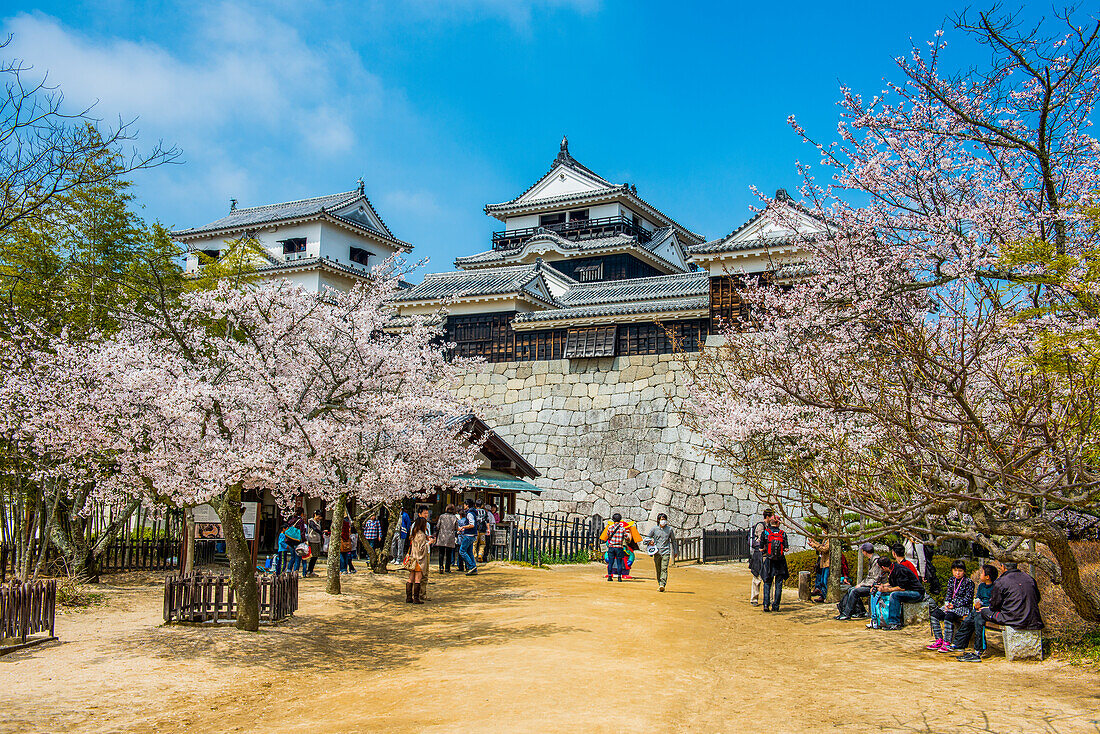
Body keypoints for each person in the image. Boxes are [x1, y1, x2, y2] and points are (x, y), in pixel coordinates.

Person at [958, 562, 1044, 663]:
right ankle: (970, 645)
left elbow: (994, 605)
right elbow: (1037, 598)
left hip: (1011, 618)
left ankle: (978, 650)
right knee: (980, 613)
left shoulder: (1001, 581)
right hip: (1033, 618)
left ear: (1003, 567)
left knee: (982, 612)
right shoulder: (1029, 578)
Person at [948, 564, 998, 657]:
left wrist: (984, 608)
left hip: (988, 611)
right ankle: (959, 643)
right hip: (978, 609)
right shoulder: (981, 586)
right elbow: (978, 597)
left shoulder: (996, 587)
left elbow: (995, 603)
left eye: (982, 573)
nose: (980, 575)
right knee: (967, 621)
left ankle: (979, 648)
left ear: (987, 577)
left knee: (979, 623)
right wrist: (977, 604)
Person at [927, 559, 974, 650]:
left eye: (960, 571)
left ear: (964, 571)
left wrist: (955, 605)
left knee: (948, 616)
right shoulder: (951, 580)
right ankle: (939, 639)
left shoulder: (968, 582)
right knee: (934, 615)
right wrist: (947, 603)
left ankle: (947, 642)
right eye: (955, 570)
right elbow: (949, 594)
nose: (957, 573)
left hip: (963, 607)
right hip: (951, 605)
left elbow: (968, 599)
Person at [874, 555, 925, 630]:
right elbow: (892, 584)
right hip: (908, 591)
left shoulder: (899, 570)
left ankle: (894, 623)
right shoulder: (892, 570)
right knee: (880, 594)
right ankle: (878, 620)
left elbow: (901, 588)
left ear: (883, 567)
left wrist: (886, 590)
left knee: (894, 595)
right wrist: (882, 586)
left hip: (916, 593)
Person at [835, 542, 881, 620]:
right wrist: (861, 584)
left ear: (865, 552)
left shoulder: (876, 561)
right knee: (851, 589)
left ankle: (847, 613)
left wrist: (862, 585)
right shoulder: (872, 559)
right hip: (870, 583)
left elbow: (875, 578)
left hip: (874, 585)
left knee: (854, 591)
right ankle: (859, 611)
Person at [758, 512, 789, 612]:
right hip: (780, 562)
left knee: (767, 583)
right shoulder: (782, 533)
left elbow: (761, 547)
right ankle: (776, 605)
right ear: (778, 523)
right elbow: (786, 548)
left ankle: (766, 605)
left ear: (770, 522)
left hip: (769, 561)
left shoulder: (766, 532)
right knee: (778, 584)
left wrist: (764, 549)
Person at [645, 513, 678, 591]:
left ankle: (662, 584)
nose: (663, 521)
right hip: (657, 552)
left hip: (666, 551)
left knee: (664, 568)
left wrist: (675, 550)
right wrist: (650, 542)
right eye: (661, 519)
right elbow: (646, 538)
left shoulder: (669, 530)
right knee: (658, 568)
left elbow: (673, 540)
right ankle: (659, 583)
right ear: (658, 520)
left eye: (664, 519)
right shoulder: (654, 529)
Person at [403, 515, 432, 604]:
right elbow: (422, 549)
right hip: (419, 560)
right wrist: (429, 543)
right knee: (417, 579)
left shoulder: (414, 534)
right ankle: (416, 598)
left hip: (413, 559)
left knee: (410, 578)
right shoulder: (422, 535)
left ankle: (408, 597)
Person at [748, 510, 773, 605]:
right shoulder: (760, 526)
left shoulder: (770, 527)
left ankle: (769, 599)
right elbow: (762, 539)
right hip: (759, 554)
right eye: (771, 517)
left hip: (767, 554)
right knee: (757, 577)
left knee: (769, 578)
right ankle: (754, 599)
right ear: (767, 517)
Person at [600, 513, 630, 582]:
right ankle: (619, 577)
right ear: (620, 520)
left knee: (611, 562)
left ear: (613, 519)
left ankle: (610, 576)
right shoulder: (622, 529)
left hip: (611, 547)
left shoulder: (610, 527)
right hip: (619, 547)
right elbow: (626, 537)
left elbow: (607, 535)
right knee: (619, 562)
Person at [807, 526, 830, 603]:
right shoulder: (825, 539)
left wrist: (814, 545)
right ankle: (822, 596)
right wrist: (813, 541)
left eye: (824, 530)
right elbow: (821, 546)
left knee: (825, 580)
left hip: (827, 562)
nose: (823, 531)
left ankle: (825, 596)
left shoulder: (830, 539)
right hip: (823, 562)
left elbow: (825, 549)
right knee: (822, 580)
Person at [456, 498, 478, 576]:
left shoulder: (470, 513)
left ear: (467, 505)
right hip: (472, 535)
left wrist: (464, 527)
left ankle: (471, 566)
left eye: (464, 504)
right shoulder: (473, 512)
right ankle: (474, 567)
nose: (464, 506)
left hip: (469, 535)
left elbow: (472, 524)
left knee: (462, 551)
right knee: (469, 552)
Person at [435, 504, 458, 573]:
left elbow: (438, 526)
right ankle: (447, 568)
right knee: (449, 553)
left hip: (442, 536)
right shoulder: (454, 517)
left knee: (441, 553)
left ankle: (441, 567)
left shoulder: (442, 516)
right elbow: (456, 528)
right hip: (450, 537)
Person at [305, 510, 324, 577]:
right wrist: (321, 532)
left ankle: (311, 570)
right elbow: (314, 528)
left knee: (315, 556)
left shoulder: (319, 522)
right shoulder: (311, 521)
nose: (319, 518)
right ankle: (309, 571)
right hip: (312, 540)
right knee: (313, 556)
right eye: (318, 516)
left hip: (317, 540)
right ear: (315, 514)